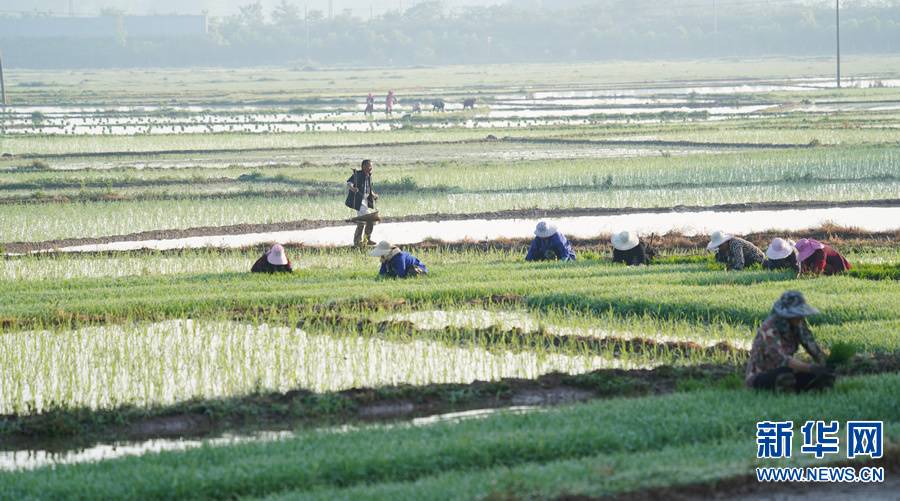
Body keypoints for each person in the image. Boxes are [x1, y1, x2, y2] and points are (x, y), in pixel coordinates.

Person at [745, 290, 834, 393]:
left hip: (788, 371)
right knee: (786, 374)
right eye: (797, 314)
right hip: (762, 376)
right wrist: (812, 368)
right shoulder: (769, 329)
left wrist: (826, 366)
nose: (801, 317)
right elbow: (784, 360)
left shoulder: (798, 326)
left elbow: (814, 349)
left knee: (822, 377)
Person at [345, 159, 379, 247]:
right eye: (369, 166)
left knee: (361, 221)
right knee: (369, 219)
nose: (371, 168)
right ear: (364, 167)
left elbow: (368, 188)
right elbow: (349, 183)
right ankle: (364, 240)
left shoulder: (369, 176)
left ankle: (360, 241)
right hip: (359, 201)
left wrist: (373, 195)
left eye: (371, 166)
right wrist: (353, 189)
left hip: (365, 200)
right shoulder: (358, 175)